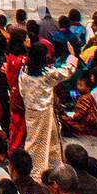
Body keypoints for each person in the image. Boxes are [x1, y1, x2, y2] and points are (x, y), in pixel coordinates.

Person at [18, 41, 77, 172]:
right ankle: (36, 172)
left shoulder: (24, 71)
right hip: (43, 110)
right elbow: (67, 71)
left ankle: (54, 165)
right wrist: (72, 56)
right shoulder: (47, 74)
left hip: (30, 109)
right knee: (38, 142)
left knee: (46, 139)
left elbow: (22, 90)